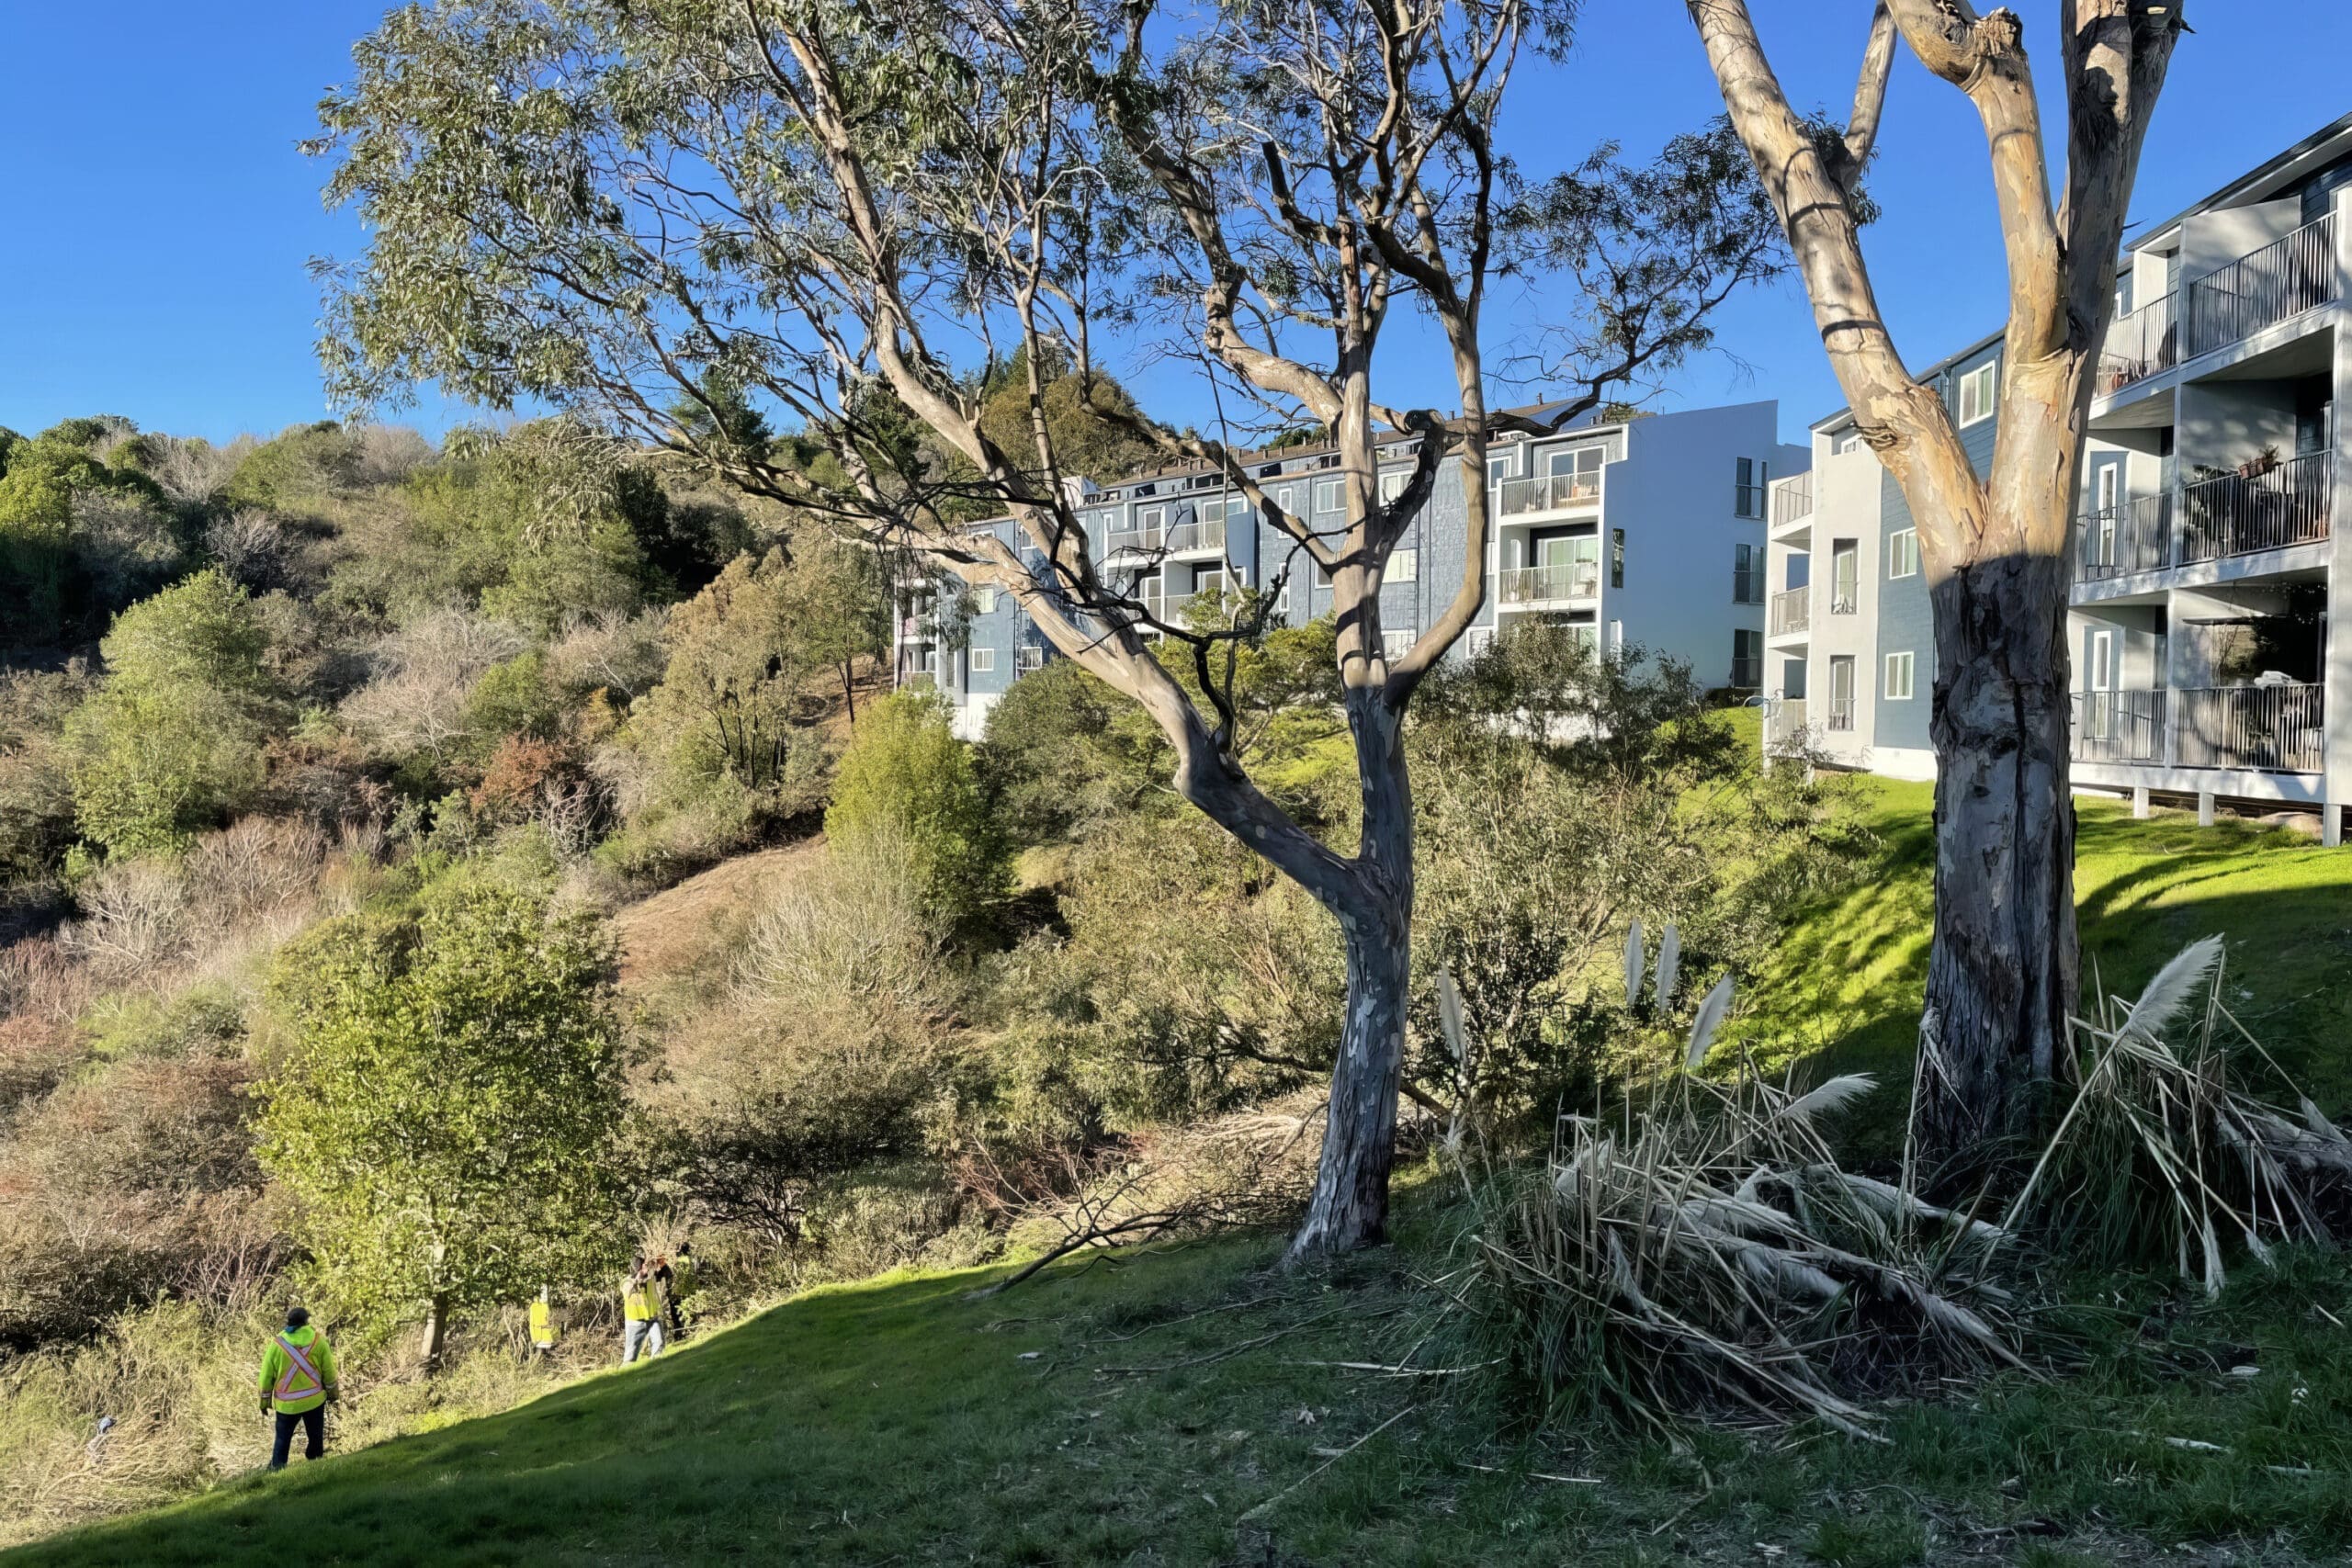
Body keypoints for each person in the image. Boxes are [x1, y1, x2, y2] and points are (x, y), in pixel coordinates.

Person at [256, 1306, 339, 1471]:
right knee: (315, 1436)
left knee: (282, 1440)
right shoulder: (318, 1341)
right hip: (314, 1400)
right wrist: (333, 1394)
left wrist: (264, 1403)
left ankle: (277, 1468)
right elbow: (329, 1372)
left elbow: (266, 1377)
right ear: (306, 1321)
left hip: (287, 1405)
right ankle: (316, 1464)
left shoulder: (277, 1345)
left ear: (288, 1322)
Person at [620, 1256, 665, 1364]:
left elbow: (660, 1270)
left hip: (652, 1317)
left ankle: (656, 1365)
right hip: (635, 1320)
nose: (647, 1267)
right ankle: (626, 1369)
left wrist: (661, 1263)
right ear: (639, 1267)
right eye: (645, 1264)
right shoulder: (627, 1282)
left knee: (659, 1342)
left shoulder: (650, 1277)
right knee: (631, 1353)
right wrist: (637, 1278)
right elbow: (627, 1291)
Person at [665, 1243, 697, 1339]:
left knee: (677, 1310)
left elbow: (678, 1276)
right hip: (690, 1288)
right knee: (688, 1309)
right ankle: (688, 1329)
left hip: (680, 1290)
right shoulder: (692, 1259)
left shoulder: (680, 1260)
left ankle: (680, 1332)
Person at [528, 1286, 556, 1359]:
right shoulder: (534, 1306)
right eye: (543, 1294)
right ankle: (534, 1365)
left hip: (545, 1333)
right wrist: (534, 1336)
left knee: (542, 1352)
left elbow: (548, 1319)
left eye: (546, 1294)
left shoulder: (545, 1306)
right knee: (539, 1352)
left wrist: (549, 1325)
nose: (544, 1296)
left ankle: (538, 1364)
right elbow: (532, 1323)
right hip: (538, 1333)